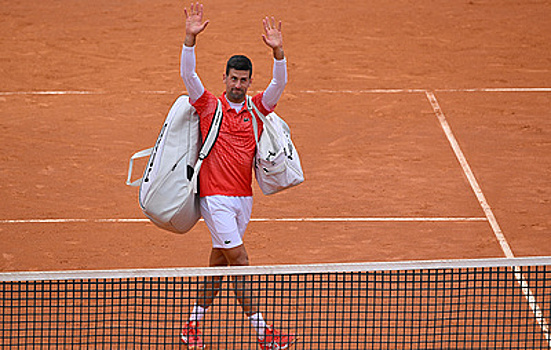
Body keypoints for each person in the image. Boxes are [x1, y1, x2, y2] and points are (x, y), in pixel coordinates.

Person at [179, 3, 295, 349]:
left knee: (219, 264)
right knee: (240, 261)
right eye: (234, 79)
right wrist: (189, 39)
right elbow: (188, 76)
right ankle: (264, 332)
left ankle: (191, 326)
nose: (239, 85)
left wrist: (278, 51)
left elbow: (280, 82)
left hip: (244, 199)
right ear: (225, 78)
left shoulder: (258, 109)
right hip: (214, 199)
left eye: (244, 80)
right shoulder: (208, 106)